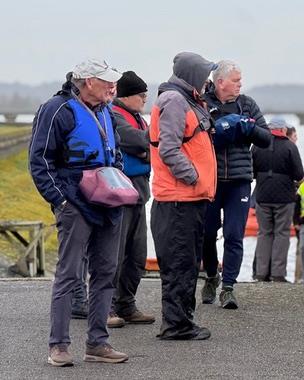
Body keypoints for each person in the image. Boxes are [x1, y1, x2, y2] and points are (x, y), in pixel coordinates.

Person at [29, 59, 128, 366]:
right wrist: (60, 202)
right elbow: (40, 161)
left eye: (114, 81)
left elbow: (117, 153)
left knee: (105, 272)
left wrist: (118, 179)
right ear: (87, 82)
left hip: (109, 203)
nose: (113, 87)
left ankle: (97, 343)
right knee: (70, 274)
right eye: (106, 81)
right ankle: (58, 345)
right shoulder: (57, 109)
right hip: (75, 202)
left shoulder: (107, 110)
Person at [149, 52, 217, 340]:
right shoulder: (175, 101)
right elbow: (169, 148)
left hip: (187, 198)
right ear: (193, 76)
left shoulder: (185, 99)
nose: (207, 82)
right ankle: (176, 325)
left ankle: (182, 321)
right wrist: (194, 177)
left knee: (187, 262)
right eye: (204, 76)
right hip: (178, 199)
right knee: (179, 263)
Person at [201, 60, 271, 308]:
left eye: (241, 80)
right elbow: (202, 141)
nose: (240, 84)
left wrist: (247, 127)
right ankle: (211, 275)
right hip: (211, 180)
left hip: (240, 180)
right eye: (236, 80)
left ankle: (228, 287)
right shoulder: (204, 103)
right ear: (220, 82)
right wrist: (225, 129)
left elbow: (266, 139)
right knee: (207, 233)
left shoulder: (247, 104)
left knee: (234, 235)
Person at [108, 71, 155, 328]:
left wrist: (144, 150)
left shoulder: (138, 117)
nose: (145, 100)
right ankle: (105, 307)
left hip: (140, 191)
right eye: (142, 95)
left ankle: (126, 304)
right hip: (120, 191)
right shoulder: (114, 115)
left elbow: (146, 146)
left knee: (137, 255)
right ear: (128, 96)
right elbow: (135, 140)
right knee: (115, 253)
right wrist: (145, 149)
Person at [252, 116, 304, 283]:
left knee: (264, 233)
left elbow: (251, 171)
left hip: (262, 195)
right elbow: (298, 174)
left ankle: (261, 273)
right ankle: (278, 273)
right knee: (281, 234)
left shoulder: (256, 146)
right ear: (282, 130)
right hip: (284, 198)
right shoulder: (290, 146)